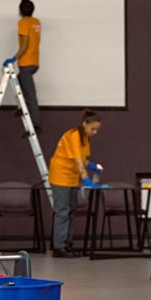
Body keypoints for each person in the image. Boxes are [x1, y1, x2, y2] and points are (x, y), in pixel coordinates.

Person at [47, 110, 104, 258]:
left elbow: (83, 160)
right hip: (60, 176)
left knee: (71, 210)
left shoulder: (85, 138)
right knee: (62, 211)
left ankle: (68, 243)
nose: (95, 132)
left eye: (97, 129)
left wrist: (92, 167)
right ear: (84, 124)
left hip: (71, 177)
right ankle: (59, 246)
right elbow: (78, 162)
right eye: (93, 128)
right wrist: (87, 181)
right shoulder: (74, 136)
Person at [4, 0, 43, 134]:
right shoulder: (36, 22)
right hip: (35, 62)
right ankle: (24, 108)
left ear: (20, 10)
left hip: (26, 63)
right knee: (20, 82)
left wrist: (14, 58)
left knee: (30, 93)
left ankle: (35, 125)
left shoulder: (23, 23)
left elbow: (25, 44)